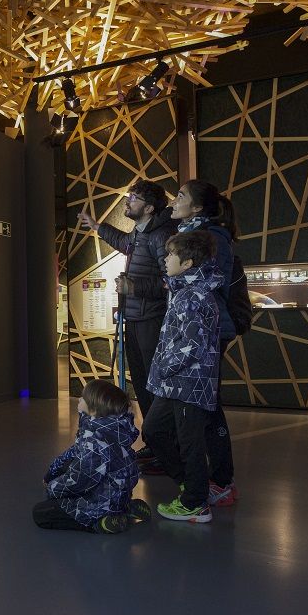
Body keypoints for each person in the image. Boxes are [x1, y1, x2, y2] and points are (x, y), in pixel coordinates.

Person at [77, 180, 177, 420]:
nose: (127, 201)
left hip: (150, 319)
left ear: (150, 208)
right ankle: (154, 442)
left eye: (133, 198)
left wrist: (134, 287)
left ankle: (163, 444)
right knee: (141, 382)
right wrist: (97, 227)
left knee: (152, 383)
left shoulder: (161, 236)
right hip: (134, 317)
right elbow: (125, 243)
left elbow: (171, 281)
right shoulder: (140, 233)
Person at [141, 231, 223, 523]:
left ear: (187, 263)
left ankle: (195, 502)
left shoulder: (191, 296)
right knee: (153, 431)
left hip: (187, 383)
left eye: (171, 255)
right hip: (174, 384)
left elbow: (192, 346)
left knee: (190, 444)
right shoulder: (185, 292)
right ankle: (192, 485)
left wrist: (164, 367)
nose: (165, 259)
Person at [167, 179, 239, 508]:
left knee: (207, 407)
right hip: (201, 326)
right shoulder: (195, 235)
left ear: (196, 207)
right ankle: (214, 480)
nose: (174, 200)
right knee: (208, 405)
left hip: (207, 329)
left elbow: (209, 282)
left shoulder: (211, 240)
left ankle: (218, 482)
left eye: (180, 196)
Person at [33, 379, 147, 534]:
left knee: (41, 513)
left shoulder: (94, 440)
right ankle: (126, 506)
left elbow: (80, 479)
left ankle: (101, 522)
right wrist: (51, 473)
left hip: (101, 501)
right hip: (118, 490)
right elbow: (73, 452)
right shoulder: (113, 428)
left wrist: (54, 488)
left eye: (83, 398)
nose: (79, 399)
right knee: (70, 468)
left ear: (94, 409)